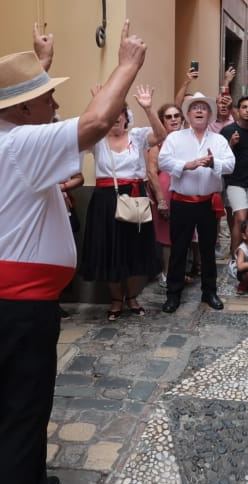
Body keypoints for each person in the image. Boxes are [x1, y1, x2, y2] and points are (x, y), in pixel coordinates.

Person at [0, 20, 147, 484]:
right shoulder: (17, 143)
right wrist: (127, 65)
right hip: (15, 309)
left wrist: (42, 60)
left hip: (12, 304)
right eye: (46, 95)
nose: (56, 103)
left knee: (27, 407)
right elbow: (94, 124)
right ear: (22, 108)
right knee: (20, 418)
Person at [80, 87, 165, 320]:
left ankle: (132, 297)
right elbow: (79, 132)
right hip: (105, 201)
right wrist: (97, 102)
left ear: (126, 117)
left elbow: (160, 135)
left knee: (134, 250)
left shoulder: (137, 137)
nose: (117, 116)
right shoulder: (96, 140)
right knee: (110, 251)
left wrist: (148, 108)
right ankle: (116, 301)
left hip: (134, 196)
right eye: (111, 112)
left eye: (121, 112)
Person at [159, 91, 235, 312]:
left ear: (210, 114)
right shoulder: (175, 138)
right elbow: (164, 161)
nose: (199, 110)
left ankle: (209, 292)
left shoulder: (219, 140)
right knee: (179, 250)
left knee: (208, 249)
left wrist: (214, 164)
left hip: (208, 204)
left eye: (203, 107)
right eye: (195, 107)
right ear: (188, 114)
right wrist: (186, 166)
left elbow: (230, 164)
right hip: (182, 203)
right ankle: (173, 295)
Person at [147, 102, 185, 284]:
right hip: (165, 193)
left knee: (181, 234)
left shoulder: (187, 138)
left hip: (184, 192)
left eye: (176, 115)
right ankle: (167, 274)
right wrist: (160, 199)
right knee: (167, 237)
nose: (173, 119)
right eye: (168, 117)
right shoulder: (158, 141)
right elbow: (151, 171)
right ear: (162, 121)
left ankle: (178, 272)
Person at [220, 94, 248, 259]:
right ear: (238, 110)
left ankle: (246, 254)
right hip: (234, 181)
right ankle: (235, 257)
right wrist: (231, 144)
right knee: (240, 217)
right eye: (244, 107)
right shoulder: (227, 130)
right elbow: (220, 157)